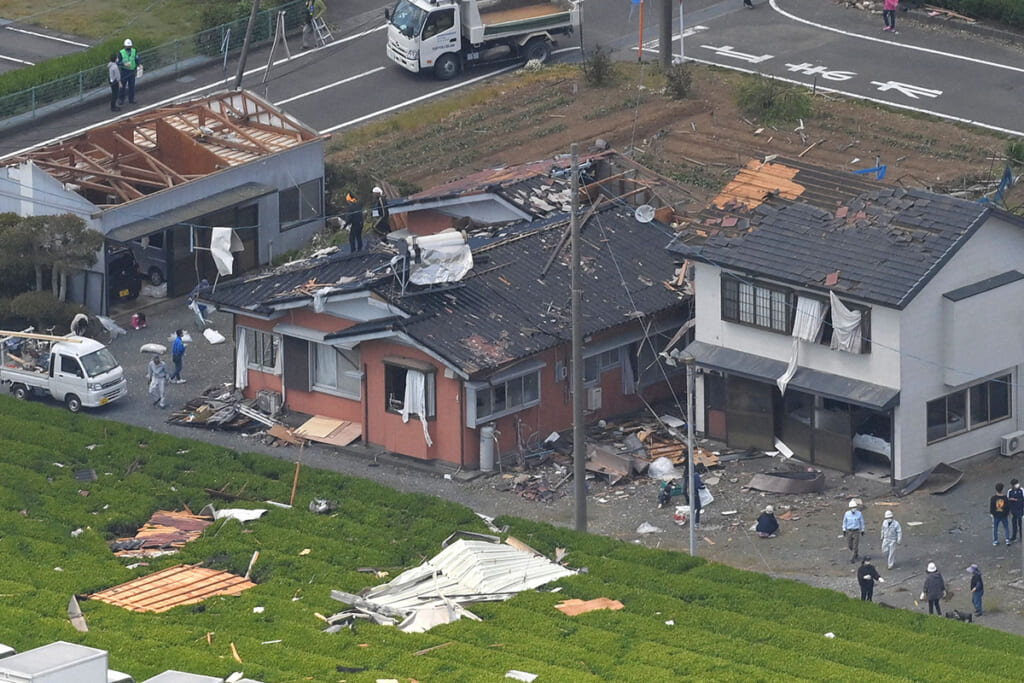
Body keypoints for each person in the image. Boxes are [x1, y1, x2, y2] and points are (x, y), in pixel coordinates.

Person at [117, 39, 141, 106]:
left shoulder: (134, 51)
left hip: (132, 71)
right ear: (125, 46)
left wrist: (139, 64)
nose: (129, 47)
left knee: (132, 86)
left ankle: (131, 99)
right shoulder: (121, 53)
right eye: (127, 46)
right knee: (122, 86)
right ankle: (121, 99)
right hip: (124, 71)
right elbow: (118, 62)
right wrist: (124, 64)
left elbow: (137, 58)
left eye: (130, 46)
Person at [842, 498, 865, 563]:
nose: (854, 508)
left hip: (856, 531)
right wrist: (844, 529)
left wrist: (862, 530)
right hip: (849, 531)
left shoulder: (859, 514)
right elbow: (844, 522)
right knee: (850, 545)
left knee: (855, 545)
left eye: (855, 507)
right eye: (852, 507)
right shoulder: (847, 514)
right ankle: (856, 553)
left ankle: (852, 558)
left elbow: (862, 522)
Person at [1008, 478, 1023, 543]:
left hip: (1021, 510)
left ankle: (1022, 537)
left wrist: (1016, 500)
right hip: (1013, 510)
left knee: (1021, 524)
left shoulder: (1022, 490)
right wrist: (1009, 511)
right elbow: (1008, 501)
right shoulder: (1010, 491)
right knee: (1014, 524)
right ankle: (1014, 537)